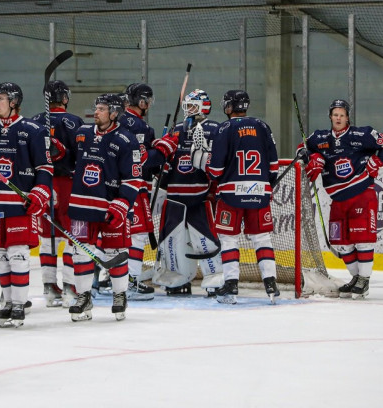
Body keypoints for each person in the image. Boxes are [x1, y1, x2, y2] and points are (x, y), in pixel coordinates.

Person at [0, 81, 52, 328]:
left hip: (20, 204)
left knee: (17, 254)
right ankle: (7, 302)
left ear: (14, 102)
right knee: (1, 256)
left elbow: (45, 168)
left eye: (1, 99)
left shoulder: (33, 130)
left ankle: (18, 305)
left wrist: (40, 193)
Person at [302, 99, 383, 299]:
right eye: (335, 114)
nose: (338, 118)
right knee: (341, 242)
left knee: (362, 239)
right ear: (330, 116)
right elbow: (301, 151)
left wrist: (377, 161)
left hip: (361, 194)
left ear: (347, 117)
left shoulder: (362, 135)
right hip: (337, 200)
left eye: (342, 115)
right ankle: (356, 278)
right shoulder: (318, 138)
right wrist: (313, 159)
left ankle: (364, 280)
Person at [66, 93, 143, 322]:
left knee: (115, 253)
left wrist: (121, 205)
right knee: (80, 252)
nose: (96, 112)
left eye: (101, 108)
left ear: (114, 113)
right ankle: (84, 296)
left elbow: (133, 179)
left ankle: (119, 295)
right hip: (82, 205)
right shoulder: (82, 134)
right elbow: (70, 161)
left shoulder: (127, 140)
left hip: (111, 209)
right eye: (96, 108)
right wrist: (55, 151)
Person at [198, 90, 279, 304]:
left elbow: (215, 170)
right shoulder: (263, 126)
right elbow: (273, 166)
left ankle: (231, 285)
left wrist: (202, 162)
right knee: (261, 238)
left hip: (232, 194)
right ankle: (271, 284)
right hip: (260, 193)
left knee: (229, 239)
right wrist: (264, 185)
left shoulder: (225, 128)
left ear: (228, 107)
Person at [155, 89, 223, 296]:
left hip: (199, 197)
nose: (189, 110)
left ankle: (216, 278)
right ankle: (177, 279)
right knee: (171, 242)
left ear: (204, 106)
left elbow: (218, 163)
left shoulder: (214, 129)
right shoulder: (176, 130)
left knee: (205, 240)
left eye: (193, 106)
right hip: (174, 197)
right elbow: (165, 162)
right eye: (187, 106)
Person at [118, 83, 177, 300]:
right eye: (147, 101)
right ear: (142, 101)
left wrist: (157, 148)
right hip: (133, 187)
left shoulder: (118, 120)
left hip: (112, 187)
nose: (148, 105)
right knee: (138, 235)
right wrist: (163, 149)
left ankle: (104, 279)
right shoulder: (139, 127)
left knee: (111, 235)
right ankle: (131, 281)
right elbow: (141, 161)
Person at [31, 80, 82, 308]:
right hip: (68, 185)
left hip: (43, 185)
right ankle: (70, 288)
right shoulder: (73, 122)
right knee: (73, 236)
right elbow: (83, 154)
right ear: (65, 98)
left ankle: (49, 287)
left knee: (48, 237)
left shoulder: (33, 122)